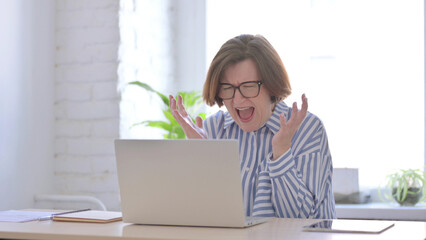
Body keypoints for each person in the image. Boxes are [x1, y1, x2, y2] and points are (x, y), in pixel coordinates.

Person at [169, 34, 336, 219]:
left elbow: (302, 220)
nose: (238, 99)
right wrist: (201, 157)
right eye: (227, 87)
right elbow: (197, 215)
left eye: (248, 86)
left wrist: (281, 153)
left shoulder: (307, 129)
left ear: (272, 85)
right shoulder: (213, 130)